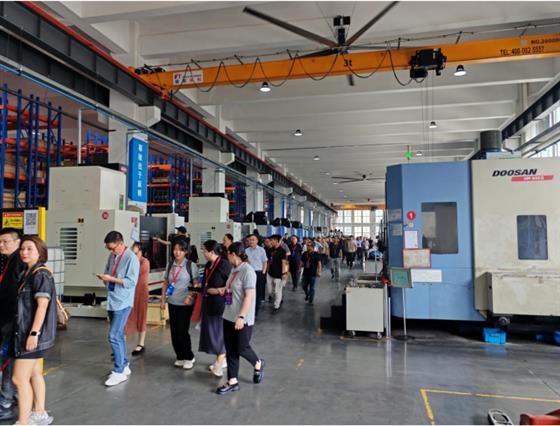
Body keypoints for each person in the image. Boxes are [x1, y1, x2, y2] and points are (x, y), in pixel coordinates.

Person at [12, 236, 57, 425]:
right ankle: (39, 414)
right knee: (35, 373)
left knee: (18, 379)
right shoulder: (28, 272)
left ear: (40, 252)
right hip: (34, 334)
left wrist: (33, 333)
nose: (24, 252)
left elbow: (42, 305)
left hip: (31, 335)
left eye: (30, 249)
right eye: (22, 248)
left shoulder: (40, 274)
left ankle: (23, 422)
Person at [216, 242, 264, 395]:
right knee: (230, 349)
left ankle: (258, 363)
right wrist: (225, 290)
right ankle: (232, 381)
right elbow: (233, 289)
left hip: (242, 318)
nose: (227, 257)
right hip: (228, 315)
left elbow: (249, 296)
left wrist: (241, 316)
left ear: (233, 254)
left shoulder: (248, 271)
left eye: (228, 254)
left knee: (242, 348)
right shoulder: (234, 269)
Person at [96, 231, 139, 387]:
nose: (111, 251)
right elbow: (108, 271)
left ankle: (119, 371)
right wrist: (105, 278)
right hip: (112, 299)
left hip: (123, 302)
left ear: (121, 244)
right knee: (118, 334)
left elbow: (131, 282)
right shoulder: (112, 256)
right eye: (108, 249)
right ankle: (124, 364)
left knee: (113, 335)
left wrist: (111, 279)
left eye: (113, 248)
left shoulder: (131, 258)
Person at [160, 239, 199, 370]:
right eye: (175, 249)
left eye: (180, 250)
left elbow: (196, 284)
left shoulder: (190, 265)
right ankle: (180, 356)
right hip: (172, 302)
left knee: (182, 331)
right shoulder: (170, 264)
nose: (177, 252)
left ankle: (189, 356)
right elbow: (165, 282)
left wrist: (190, 296)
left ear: (185, 251)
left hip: (185, 303)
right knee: (174, 332)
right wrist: (163, 300)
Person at [0, 228, 25, 421]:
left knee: (8, 362)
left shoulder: (19, 262)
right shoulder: (10, 261)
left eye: (5, 241)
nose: (1, 245)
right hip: (8, 320)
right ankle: (12, 398)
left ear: (18, 243)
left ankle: (6, 404)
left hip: (13, 322)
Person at [199, 240, 231, 378]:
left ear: (211, 252)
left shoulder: (224, 265)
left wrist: (218, 290)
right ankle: (222, 359)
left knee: (219, 333)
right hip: (209, 303)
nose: (203, 253)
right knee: (212, 333)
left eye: (204, 250)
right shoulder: (208, 265)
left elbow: (231, 284)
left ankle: (219, 363)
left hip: (220, 304)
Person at [124, 242, 150, 356]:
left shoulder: (145, 262)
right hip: (129, 293)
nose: (134, 255)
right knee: (126, 317)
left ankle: (141, 344)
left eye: (136, 253)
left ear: (141, 252)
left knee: (141, 316)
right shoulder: (129, 261)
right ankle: (121, 344)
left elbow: (133, 274)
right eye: (132, 252)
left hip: (141, 293)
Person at [245, 235, 268, 316]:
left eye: (253, 240)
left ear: (257, 241)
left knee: (258, 292)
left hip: (259, 273)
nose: (251, 241)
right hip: (249, 273)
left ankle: (256, 309)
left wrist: (263, 272)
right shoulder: (246, 250)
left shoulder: (261, 250)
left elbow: (265, 262)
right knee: (249, 291)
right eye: (250, 240)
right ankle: (249, 308)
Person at [266, 235, 288, 313]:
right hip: (270, 273)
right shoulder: (270, 250)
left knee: (277, 291)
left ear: (277, 241)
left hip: (278, 274)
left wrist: (284, 274)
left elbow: (285, 263)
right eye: (270, 240)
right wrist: (266, 270)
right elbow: (268, 261)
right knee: (270, 291)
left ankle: (276, 306)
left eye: (272, 240)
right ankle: (279, 299)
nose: (271, 242)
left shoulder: (282, 251)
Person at [301, 240, 322, 305]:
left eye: (309, 246)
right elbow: (302, 262)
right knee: (304, 286)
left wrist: (319, 272)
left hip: (313, 273)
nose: (308, 247)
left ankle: (311, 299)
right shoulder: (304, 253)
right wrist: (300, 266)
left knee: (312, 287)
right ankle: (307, 294)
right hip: (305, 272)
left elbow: (319, 264)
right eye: (307, 245)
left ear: (313, 247)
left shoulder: (316, 254)